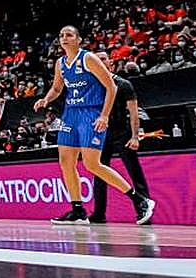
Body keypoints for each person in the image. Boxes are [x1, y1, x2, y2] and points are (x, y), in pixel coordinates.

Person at [34, 26, 154, 225]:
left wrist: (104, 115)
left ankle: (140, 200)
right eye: (61, 35)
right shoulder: (60, 63)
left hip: (90, 112)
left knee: (92, 164)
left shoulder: (88, 58)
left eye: (69, 35)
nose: (64, 38)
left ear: (78, 39)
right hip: (70, 114)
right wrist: (46, 100)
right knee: (66, 162)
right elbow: (57, 88)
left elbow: (111, 86)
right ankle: (78, 210)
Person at [89, 52, 151, 224]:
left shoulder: (124, 84)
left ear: (110, 63)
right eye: (96, 60)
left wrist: (135, 136)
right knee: (99, 172)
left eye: (102, 59)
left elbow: (133, 113)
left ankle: (144, 208)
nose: (99, 62)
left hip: (122, 132)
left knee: (134, 171)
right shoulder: (93, 86)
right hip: (101, 134)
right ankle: (98, 213)